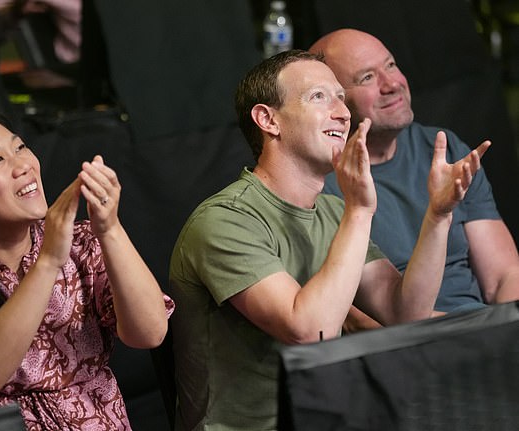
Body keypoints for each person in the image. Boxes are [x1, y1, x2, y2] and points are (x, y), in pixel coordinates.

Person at [168, 49, 488, 430]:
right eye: (319, 97)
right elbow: (308, 332)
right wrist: (359, 211)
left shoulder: (334, 210)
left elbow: (407, 315)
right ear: (267, 120)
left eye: (340, 96)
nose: (342, 112)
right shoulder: (225, 220)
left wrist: (438, 215)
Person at [0, 107, 174, 430]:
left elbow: (150, 333)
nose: (22, 166)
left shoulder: (81, 242)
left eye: (19, 148)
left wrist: (109, 227)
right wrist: (47, 261)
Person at [309, 28, 519, 332]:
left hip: (488, 334)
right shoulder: (319, 184)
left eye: (391, 65)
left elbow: (504, 275)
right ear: (333, 102)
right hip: (411, 350)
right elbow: (358, 322)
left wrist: (504, 334)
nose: (392, 84)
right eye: (367, 77)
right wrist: (472, 333)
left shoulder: (443, 149)